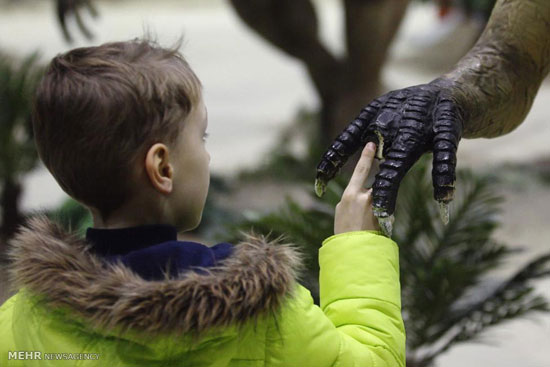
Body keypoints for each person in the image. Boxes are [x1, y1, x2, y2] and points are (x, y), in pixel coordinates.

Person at [0, 39, 405, 366]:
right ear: (162, 167)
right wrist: (357, 245)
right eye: (202, 137)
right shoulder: (263, 315)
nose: (207, 156)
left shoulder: (20, 326)